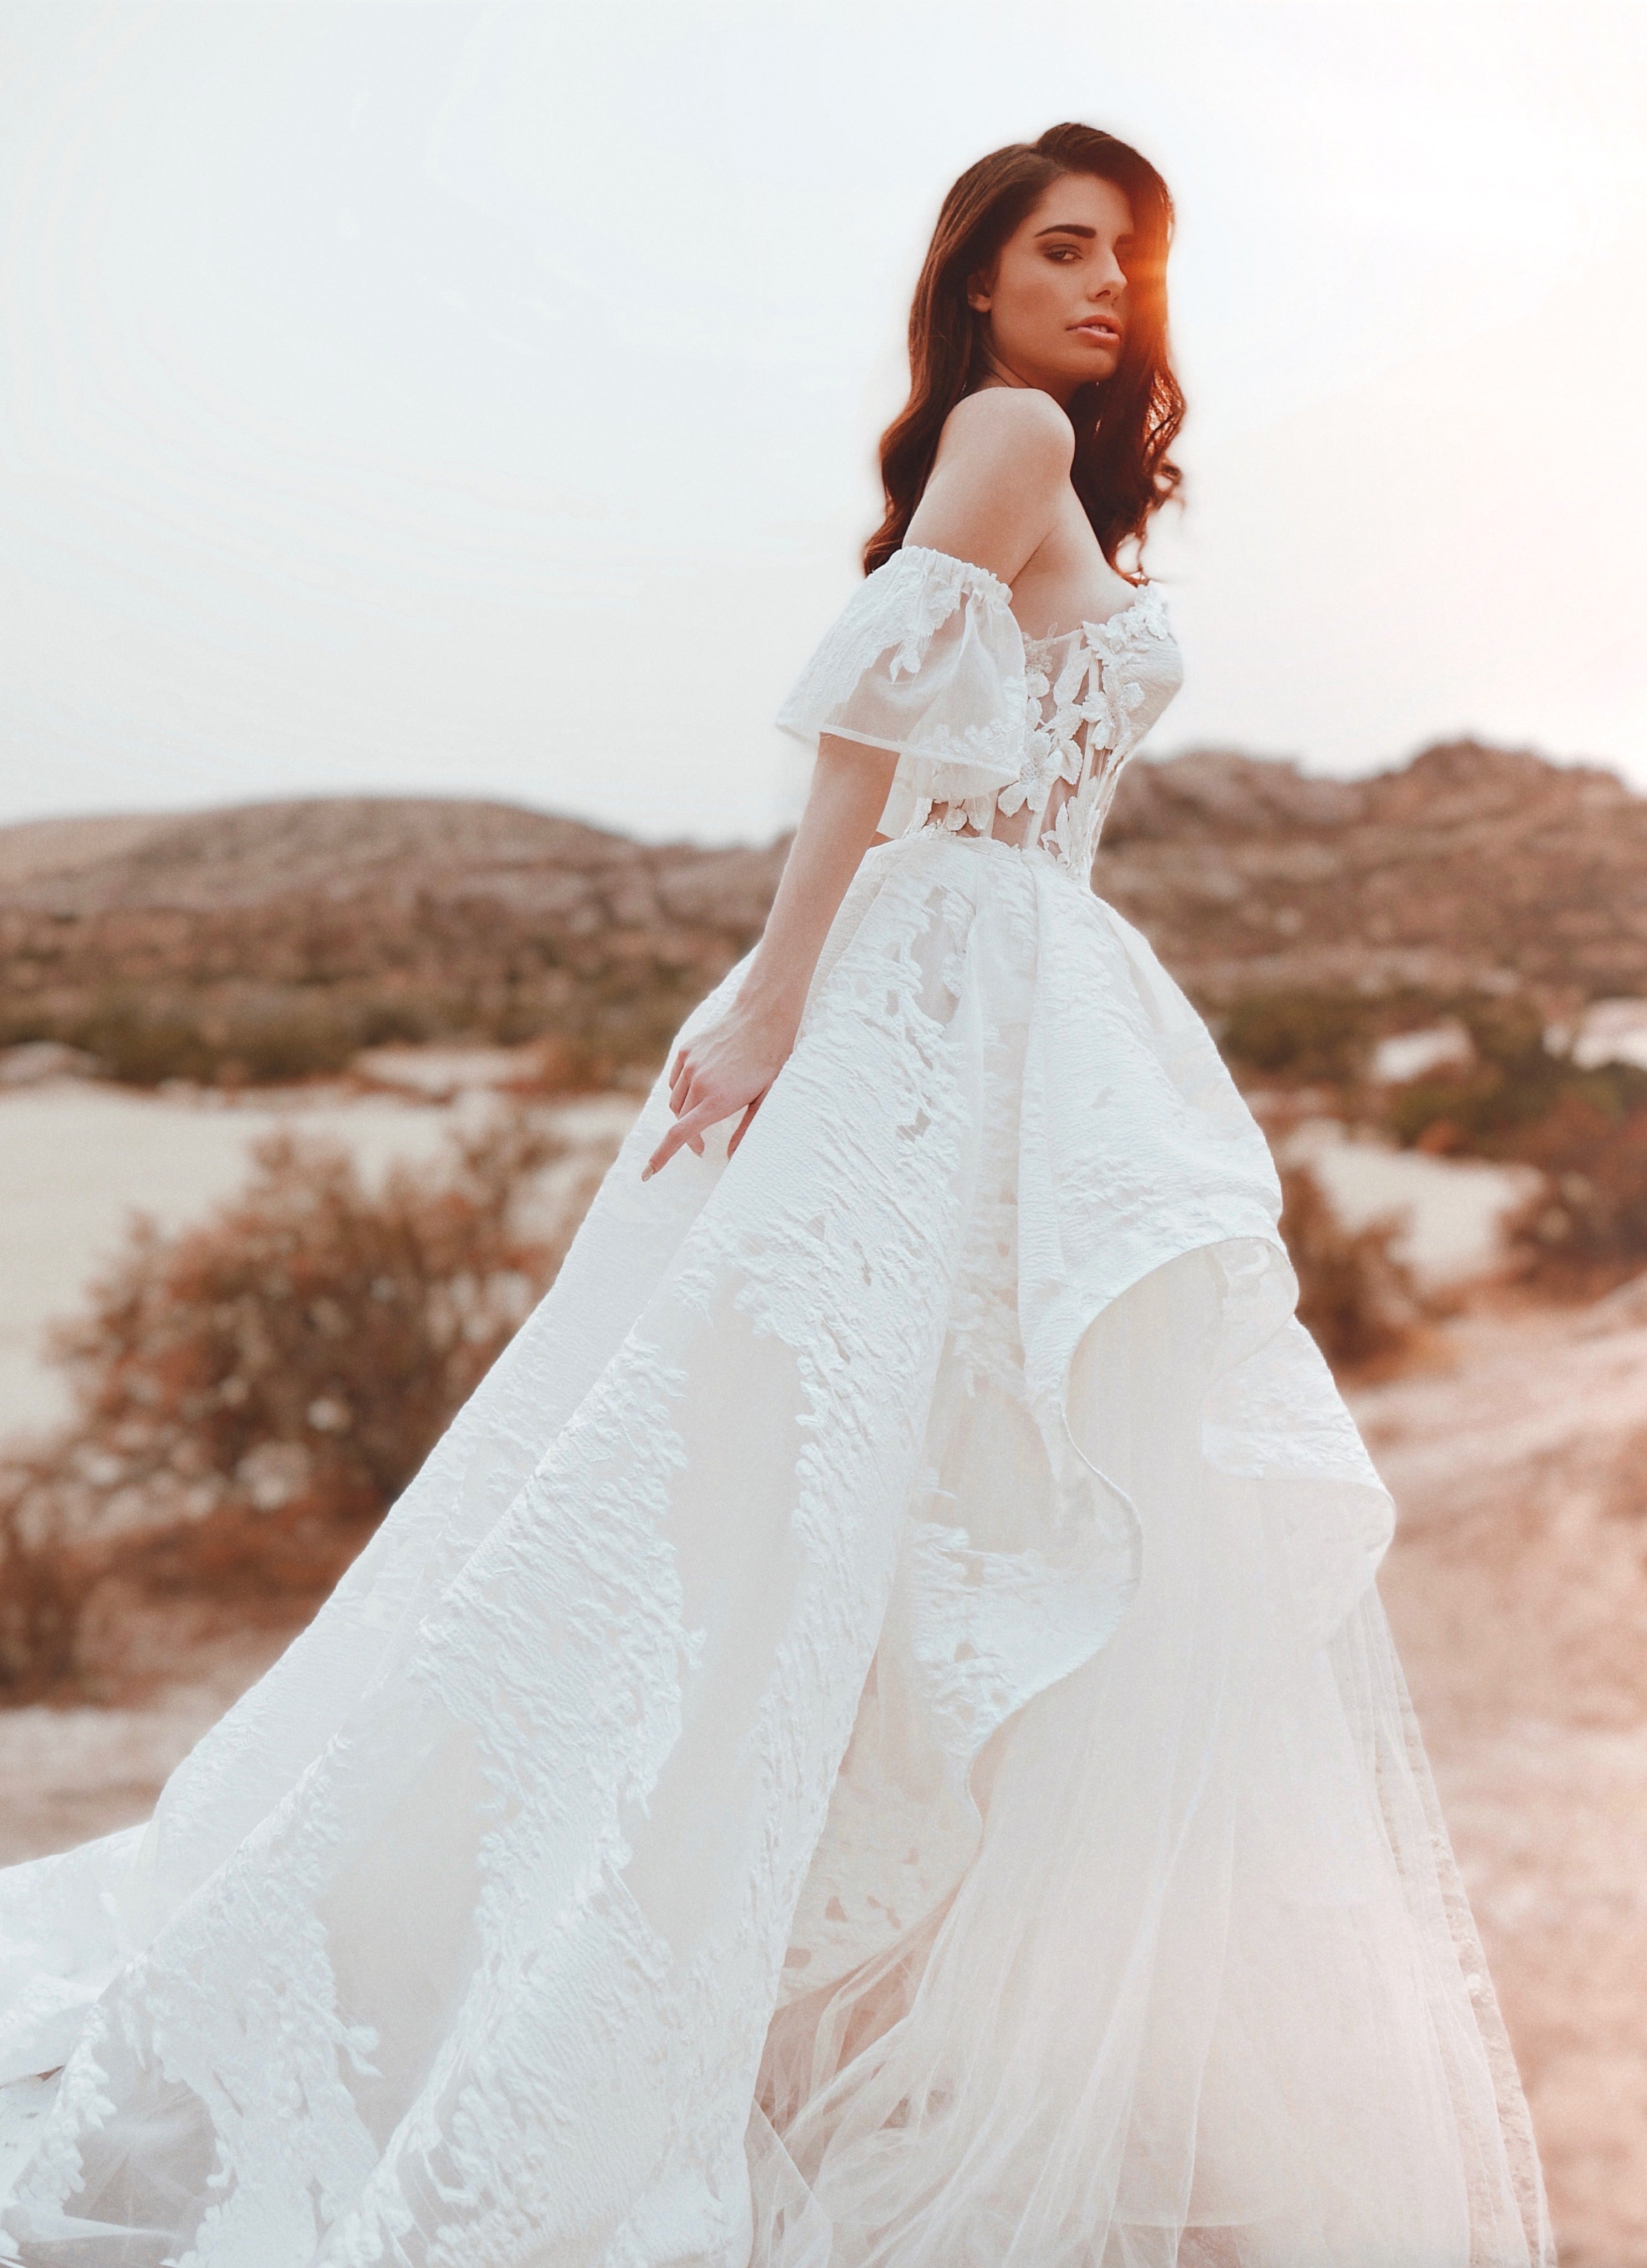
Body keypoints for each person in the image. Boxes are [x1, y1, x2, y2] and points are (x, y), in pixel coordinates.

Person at [0, 122, 1551, 2267]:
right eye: (1067, 248)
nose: (1110, 288)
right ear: (984, 283)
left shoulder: (1055, 467)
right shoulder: (1007, 434)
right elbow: (867, 735)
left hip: (1013, 987)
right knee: (795, 1480)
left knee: (879, 1487)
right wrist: (779, 1000)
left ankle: (816, 1989)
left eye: (1134, 259)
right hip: (926, 977)